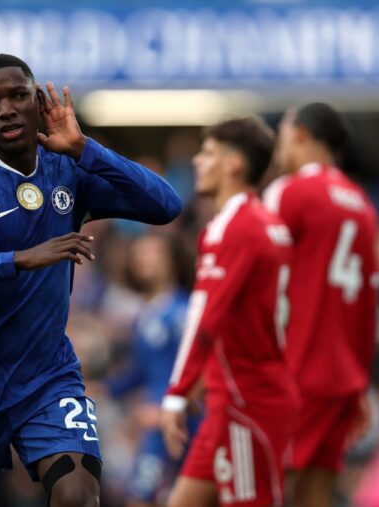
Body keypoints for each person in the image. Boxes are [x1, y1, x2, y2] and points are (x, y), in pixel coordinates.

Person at [0, 53, 182, 507]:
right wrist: (18, 260)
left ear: (38, 102)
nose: (6, 109)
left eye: (17, 95)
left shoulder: (67, 167)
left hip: (47, 379)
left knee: (78, 494)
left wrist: (84, 148)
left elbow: (166, 205)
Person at [160, 117, 300, 507]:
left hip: (246, 400)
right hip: (231, 394)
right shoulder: (267, 224)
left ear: (233, 164)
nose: (197, 161)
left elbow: (204, 316)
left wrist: (177, 393)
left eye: (207, 153)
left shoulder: (234, 228)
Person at [262, 102, 379, 507]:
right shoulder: (362, 205)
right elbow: (368, 304)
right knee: (316, 495)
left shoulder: (290, 192)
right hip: (343, 378)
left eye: (281, 137)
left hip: (296, 368)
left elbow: (261, 274)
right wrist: (361, 382)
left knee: (260, 484)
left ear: (299, 135)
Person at [104, 234, 193, 506]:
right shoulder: (146, 314)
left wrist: (170, 409)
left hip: (180, 424)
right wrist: (103, 389)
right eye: (139, 253)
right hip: (154, 427)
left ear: (173, 260)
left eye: (154, 252)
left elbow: (199, 370)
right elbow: (141, 371)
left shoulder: (183, 313)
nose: (144, 259)